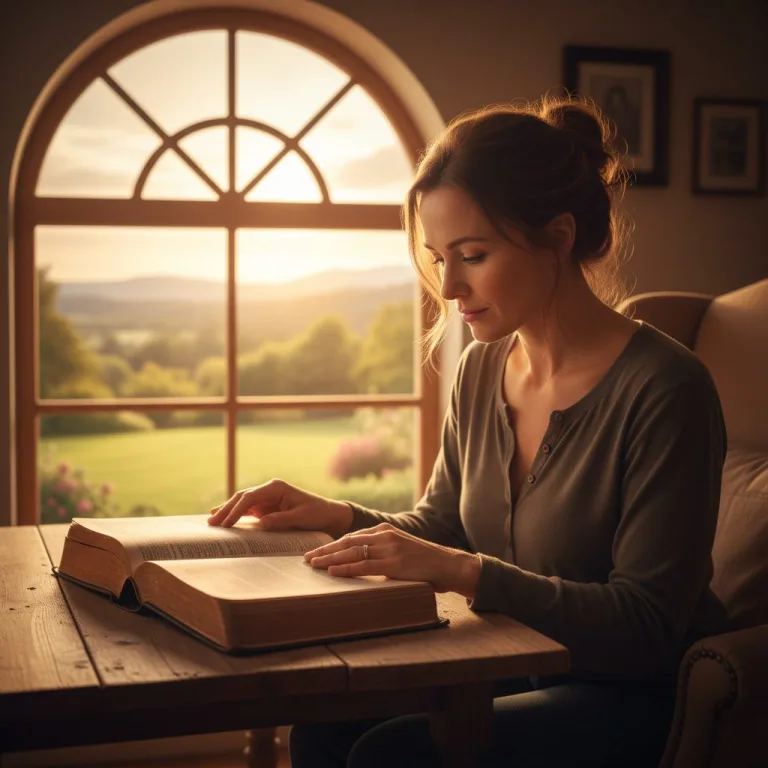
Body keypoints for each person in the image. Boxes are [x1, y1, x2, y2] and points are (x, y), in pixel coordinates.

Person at [208, 95, 727, 768]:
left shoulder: (666, 388)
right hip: (510, 661)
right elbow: (446, 524)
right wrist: (333, 515)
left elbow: (647, 628)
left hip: (634, 697)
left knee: (393, 755)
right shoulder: (483, 368)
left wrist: (465, 572)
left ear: (559, 239)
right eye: (437, 257)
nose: (448, 287)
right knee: (326, 726)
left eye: (472, 255)